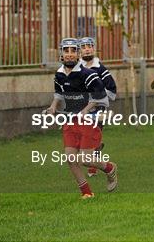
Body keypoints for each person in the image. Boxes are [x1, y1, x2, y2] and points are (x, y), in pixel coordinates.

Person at [44, 38, 117, 198]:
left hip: (89, 121)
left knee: (85, 160)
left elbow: (101, 99)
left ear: (78, 54)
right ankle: (87, 193)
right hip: (70, 121)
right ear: (61, 53)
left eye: (73, 51)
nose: (69, 54)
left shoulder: (88, 74)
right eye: (66, 51)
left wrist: (85, 111)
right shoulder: (59, 74)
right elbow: (59, 93)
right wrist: (53, 106)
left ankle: (109, 168)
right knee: (70, 158)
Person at [78, 37, 117, 178]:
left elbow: (112, 89)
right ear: (79, 51)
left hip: (98, 109)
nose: (87, 49)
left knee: (91, 137)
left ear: (94, 49)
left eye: (90, 46)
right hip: (81, 109)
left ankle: (93, 166)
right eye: (84, 47)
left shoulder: (100, 68)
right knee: (84, 138)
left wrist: (98, 97)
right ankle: (96, 151)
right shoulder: (77, 68)